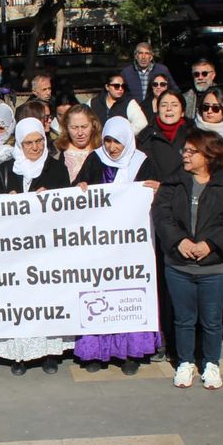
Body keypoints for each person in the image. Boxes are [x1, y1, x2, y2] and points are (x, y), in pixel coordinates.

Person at [152, 129, 223, 389]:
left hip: (216, 268)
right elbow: (162, 214)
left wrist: (210, 244)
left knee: (212, 320)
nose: (185, 155)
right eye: (185, 150)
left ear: (209, 155)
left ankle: (211, 363)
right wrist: (178, 241)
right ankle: (185, 362)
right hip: (179, 266)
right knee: (183, 319)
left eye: (192, 151)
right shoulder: (173, 183)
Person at [73, 117, 164, 374]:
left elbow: (157, 196)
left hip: (131, 247)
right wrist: (79, 187)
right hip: (98, 245)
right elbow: (77, 191)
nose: (112, 147)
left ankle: (130, 353)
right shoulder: (95, 159)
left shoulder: (143, 162)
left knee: (128, 294)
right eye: (108, 141)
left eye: (117, 142)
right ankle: (95, 352)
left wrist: (159, 190)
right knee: (97, 295)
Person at [0, 118, 74, 375]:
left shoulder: (56, 168)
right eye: (29, 143)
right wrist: (7, 201)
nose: (35, 147)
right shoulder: (7, 169)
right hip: (14, 249)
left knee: (46, 299)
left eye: (39, 141)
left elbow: (68, 207)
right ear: (19, 144)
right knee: (18, 301)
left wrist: (51, 199)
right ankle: (19, 355)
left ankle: (49, 354)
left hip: (46, 248)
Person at [135, 89, 188, 180]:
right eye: (164, 105)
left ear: (182, 112)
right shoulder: (146, 136)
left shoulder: (193, 135)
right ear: (158, 110)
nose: (169, 109)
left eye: (174, 105)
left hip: (183, 186)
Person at [54, 104, 102, 180]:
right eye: (74, 127)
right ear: (66, 127)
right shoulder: (56, 151)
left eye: (84, 127)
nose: (80, 133)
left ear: (93, 125)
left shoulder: (102, 150)